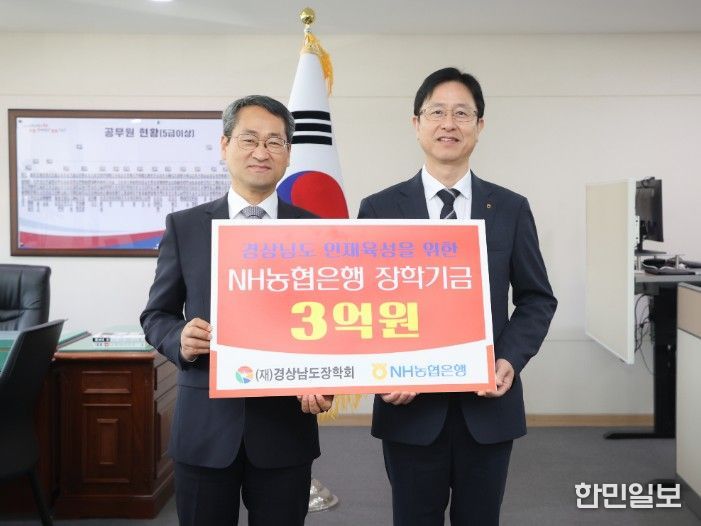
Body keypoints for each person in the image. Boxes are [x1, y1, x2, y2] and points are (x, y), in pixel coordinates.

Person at [358, 67, 557, 525]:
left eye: (462, 113)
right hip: (409, 411)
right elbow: (364, 305)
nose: (449, 124)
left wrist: (508, 359)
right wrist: (383, 371)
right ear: (416, 124)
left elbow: (537, 298)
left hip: (487, 408)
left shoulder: (509, 208)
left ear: (479, 126)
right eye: (437, 112)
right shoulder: (379, 209)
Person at [140, 95, 332, 526]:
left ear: (288, 154)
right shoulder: (185, 226)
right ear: (225, 145)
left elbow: (332, 322)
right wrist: (180, 338)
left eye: (274, 142)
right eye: (249, 139)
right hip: (205, 427)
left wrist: (327, 379)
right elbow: (156, 315)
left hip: (285, 428)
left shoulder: (316, 231)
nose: (262, 151)